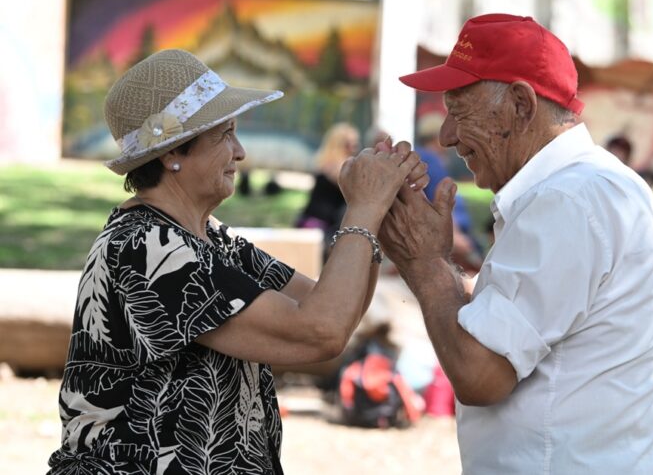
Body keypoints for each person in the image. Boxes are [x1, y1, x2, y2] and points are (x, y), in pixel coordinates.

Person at [47, 49, 427, 474]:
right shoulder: (148, 247)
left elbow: (336, 310)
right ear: (173, 153)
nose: (240, 151)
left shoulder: (210, 238)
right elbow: (321, 332)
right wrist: (363, 210)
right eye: (225, 135)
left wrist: (376, 213)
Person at [378, 14, 653, 473]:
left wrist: (423, 261)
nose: (447, 135)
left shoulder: (568, 199)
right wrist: (438, 261)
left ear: (521, 104)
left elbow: (479, 374)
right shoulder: (583, 189)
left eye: (458, 111)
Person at [415, 111, 483, 274]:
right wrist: (457, 238)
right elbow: (443, 200)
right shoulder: (430, 160)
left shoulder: (418, 157)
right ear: (435, 139)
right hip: (450, 243)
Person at [296, 122, 361, 256]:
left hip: (323, 223)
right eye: (349, 143)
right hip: (323, 226)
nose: (354, 147)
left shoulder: (327, 163)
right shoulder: (335, 167)